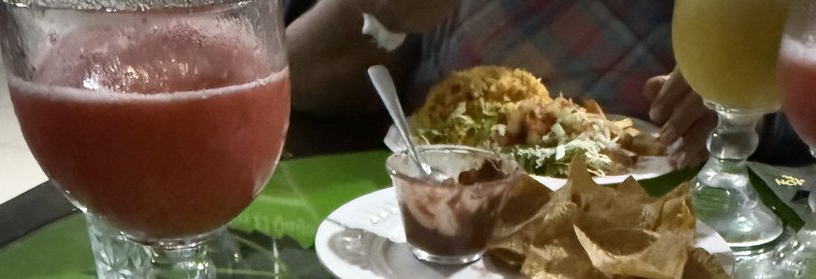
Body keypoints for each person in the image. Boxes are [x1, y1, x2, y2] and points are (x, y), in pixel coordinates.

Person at [285, 0, 716, 167]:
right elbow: (288, 81)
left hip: (659, 212)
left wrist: (745, 112)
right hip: (433, 205)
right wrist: (378, 14)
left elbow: (778, 115)